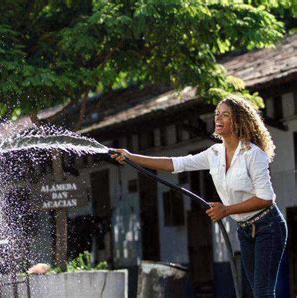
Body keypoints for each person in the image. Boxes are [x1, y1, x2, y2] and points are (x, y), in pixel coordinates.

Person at [111, 94, 287, 297]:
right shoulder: (215, 153)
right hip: (245, 230)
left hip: (269, 227)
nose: (218, 119)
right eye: (217, 114)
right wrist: (131, 157)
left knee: (263, 292)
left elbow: (266, 199)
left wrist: (226, 209)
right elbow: (176, 164)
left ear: (238, 121)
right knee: (256, 291)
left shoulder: (253, 154)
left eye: (225, 115)